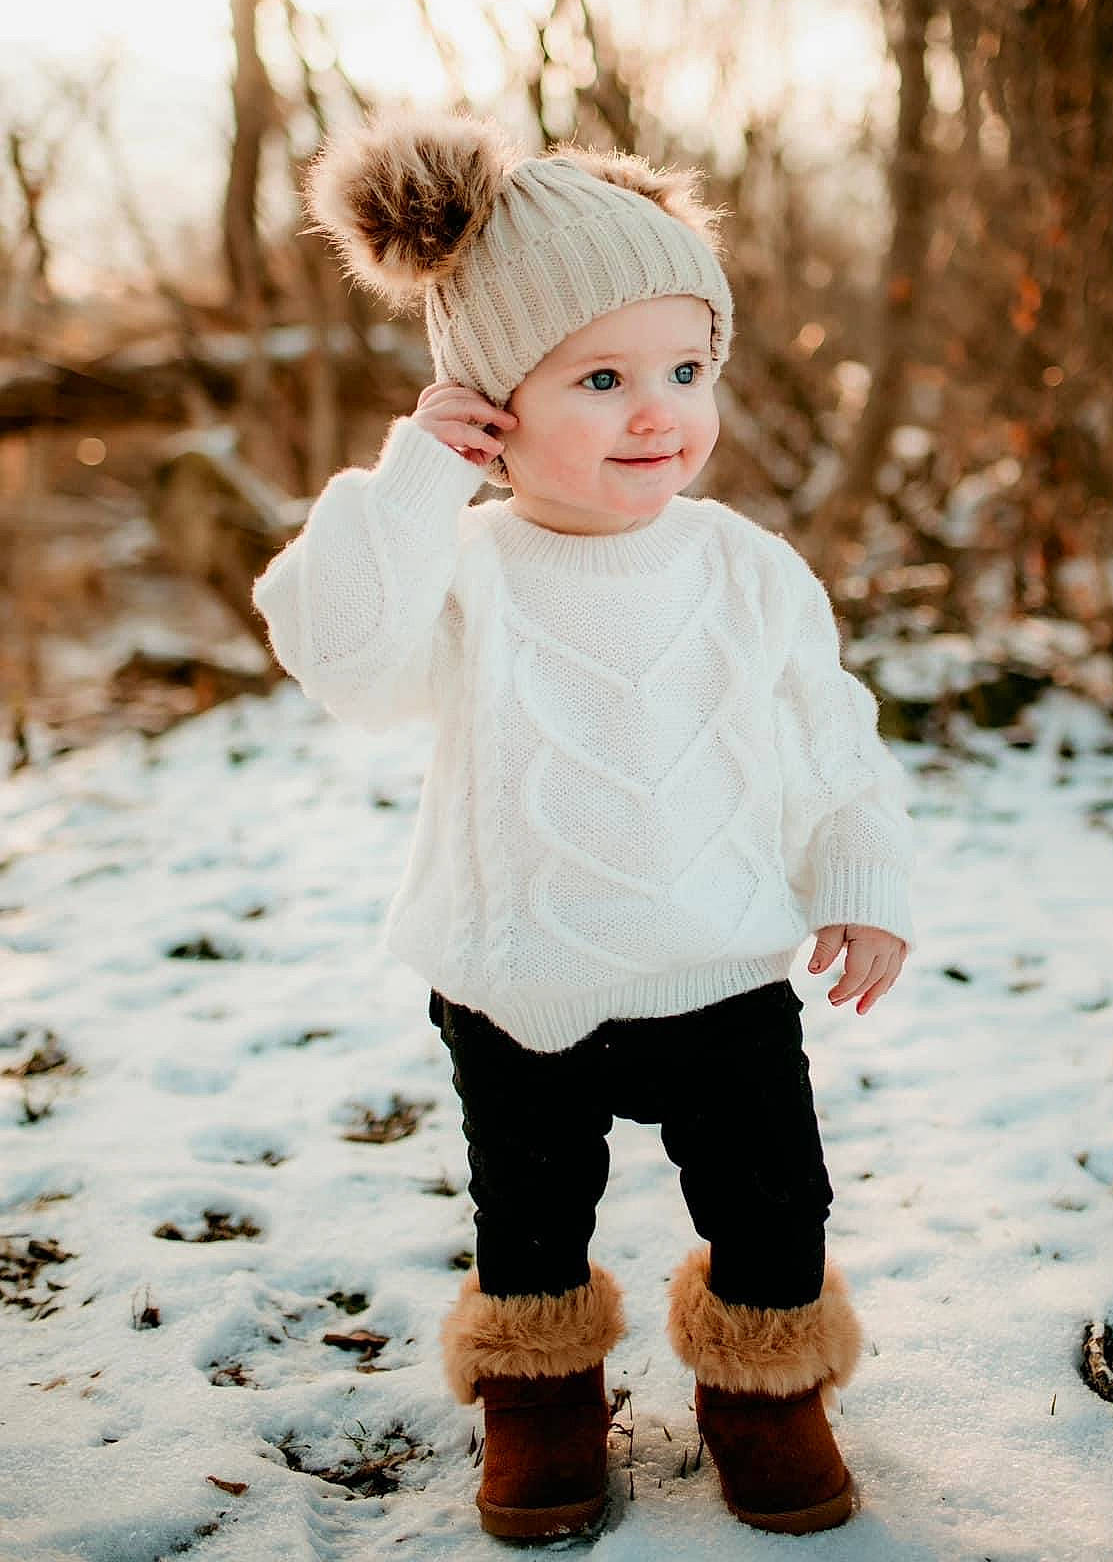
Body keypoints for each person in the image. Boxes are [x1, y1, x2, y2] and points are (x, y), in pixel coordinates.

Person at [252, 110, 916, 1543]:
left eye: (686, 369)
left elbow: (823, 731)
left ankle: (765, 1392)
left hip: (720, 962)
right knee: (529, 1218)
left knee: (772, 1202)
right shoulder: (460, 567)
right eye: (600, 378)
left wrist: (858, 878)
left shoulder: (744, 567)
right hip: (517, 972)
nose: (655, 410)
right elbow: (341, 661)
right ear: (491, 401)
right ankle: (540, 1400)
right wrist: (417, 479)